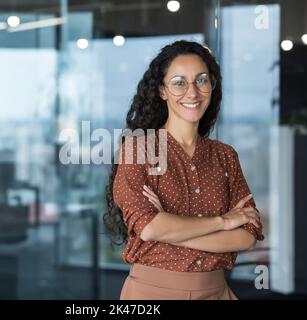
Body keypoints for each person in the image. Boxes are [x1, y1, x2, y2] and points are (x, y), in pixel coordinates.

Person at [104, 40, 264, 300]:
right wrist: (222, 222)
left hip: (216, 292)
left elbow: (247, 236)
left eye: (201, 80)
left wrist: (169, 229)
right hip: (152, 294)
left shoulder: (225, 156)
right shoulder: (138, 150)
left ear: (211, 86)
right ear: (162, 91)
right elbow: (148, 228)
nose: (193, 92)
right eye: (179, 82)